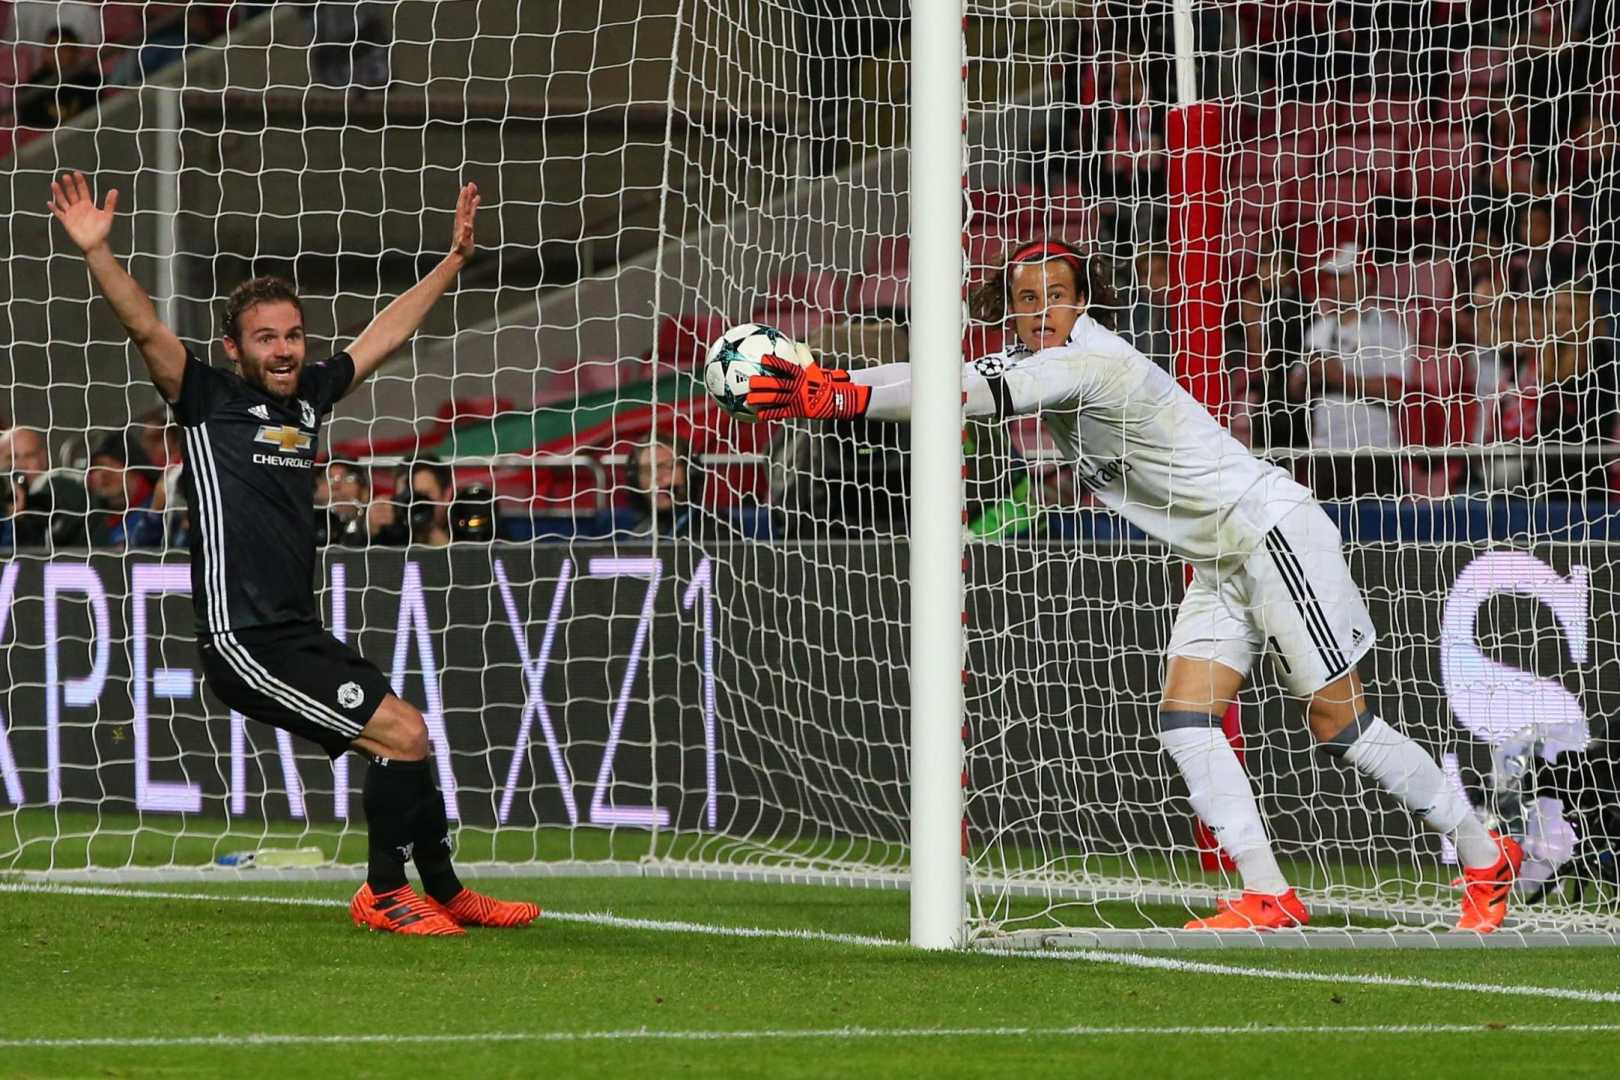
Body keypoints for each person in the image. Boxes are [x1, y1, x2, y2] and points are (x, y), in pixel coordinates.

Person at [746, 237, 1522, 933]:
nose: (1042, 309)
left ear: (1081, 302)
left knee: (1340, 727)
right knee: (1188, 720)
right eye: (1026, 298)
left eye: (1056, 294)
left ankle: (1484, 856)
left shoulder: (1094, 360)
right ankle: (1268, 894)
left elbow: (956, 395)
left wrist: (838, 396)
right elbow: (940, 374)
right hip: (1223, 557)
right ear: (1009, 311)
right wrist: (828, 378)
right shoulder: (1031, 362)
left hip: (1271, 532)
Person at [49, 170, 535, 936]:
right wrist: (97, 252)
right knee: (400, 735)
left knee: (409, 731)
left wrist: (451, 262)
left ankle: (442, 889)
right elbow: (145, 328)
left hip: (294, 631)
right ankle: (383, 895)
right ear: (233, 347)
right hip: (243, 642)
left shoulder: (307, 398)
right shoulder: (206, 398)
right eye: (266, 338)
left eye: (293, 335)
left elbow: (381, 335)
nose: (283, 350)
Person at [0, 424, 87, 548]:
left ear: (43, 458)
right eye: (12, 457)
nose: (21, 465)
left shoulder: (60, 487)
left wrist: (23, 517)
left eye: (29, 456)